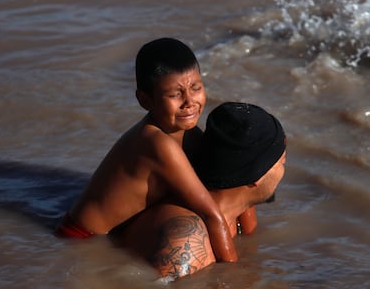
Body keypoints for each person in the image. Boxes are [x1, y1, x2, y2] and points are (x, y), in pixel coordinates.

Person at [55, 38, 237, 262]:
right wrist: (235, 275)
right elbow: (211, 214)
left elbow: (227, 179)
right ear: (145, 100)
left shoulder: (190, 133)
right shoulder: (156, 143)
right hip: (84, 239)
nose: (189, 101)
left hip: (120, 229)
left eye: (196, 88)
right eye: (175, 94)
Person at [111, 102, 287, 281]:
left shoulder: (238, 211)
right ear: (256, 176)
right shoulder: (186, 240)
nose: (283, 171)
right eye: (282, 162)